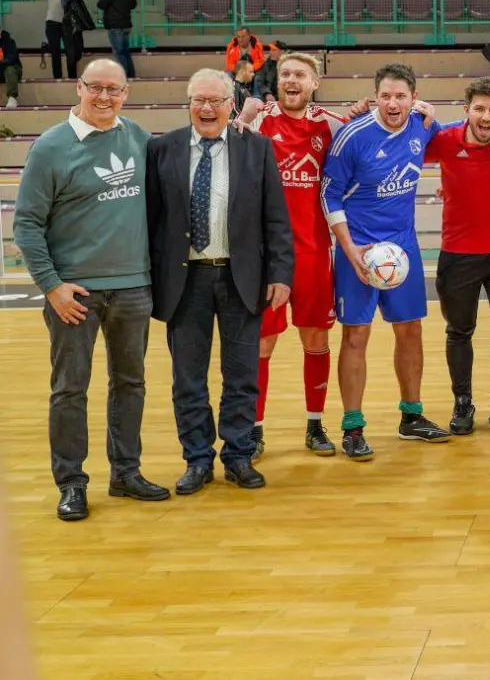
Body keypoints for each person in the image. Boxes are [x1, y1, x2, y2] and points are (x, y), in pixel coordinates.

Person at [14, 60, 168, 521]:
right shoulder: (50, 147)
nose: (104, 97)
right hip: (73, 296)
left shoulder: (138, 137)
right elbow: (26, 225)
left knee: (130, 384)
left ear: (126, 93)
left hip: (133, 289)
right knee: (69, 389)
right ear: (79, 89)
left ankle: (125, 471)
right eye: (96, 88)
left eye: (114, 90)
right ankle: (72, 483)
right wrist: (52, 286)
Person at [146, 68, 290, 494]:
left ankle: (239, 456)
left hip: (241, 278)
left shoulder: (257, 148)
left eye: (216, 101)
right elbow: (151, 221)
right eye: (198, 100)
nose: (206, 108)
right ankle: (196, 460)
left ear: (232, 103)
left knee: (242, 375)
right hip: (184, 281)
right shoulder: (162, 149)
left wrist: (281, 274)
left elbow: (276, 219)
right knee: (187, 379)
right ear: (188, 103)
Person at [320, 64, 449, 459]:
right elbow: (330, 195)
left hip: (403, 249)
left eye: (401, 96)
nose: (393, 103)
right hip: (356, 250)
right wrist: (349, 248)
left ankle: (411, 417)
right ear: (375, 97)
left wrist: (433, 114)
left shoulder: (422, 126)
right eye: (386, 96)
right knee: (356, 336)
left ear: (413, 98)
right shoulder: (352, 137)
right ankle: (353, 427)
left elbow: (459, 132)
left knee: (410, 330)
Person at [239, 54, 347, 458]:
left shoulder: (331, 125)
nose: (290, 80)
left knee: (316, 340)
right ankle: (254, 429)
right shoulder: (259, 119)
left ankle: (315, 425)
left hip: (316, 252)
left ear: (314, 82)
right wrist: (242, 116)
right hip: (268, 257)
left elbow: (366, 151)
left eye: (299, 75)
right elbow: (221, 149)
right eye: (285, 74)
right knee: (262, 343)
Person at [417, 79, 490, 436]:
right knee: (459, 332)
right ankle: (463, 402)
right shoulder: (445, 140)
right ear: (466, 110)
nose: (486, 117)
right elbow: (400, 143)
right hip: (457, 255)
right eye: (479, 109)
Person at [96, 0, 137, 79]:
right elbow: (133, 4)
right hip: (126, 24)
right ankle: (131, 74)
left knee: (119, 53)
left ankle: (122, 77)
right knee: (126, 52)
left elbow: (101, 4)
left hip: (115, 24)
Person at [44, 0, 75, 81]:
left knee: (70, 50)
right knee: (55, 51)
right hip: (52, 23)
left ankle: (72, 76)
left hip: (66, 24)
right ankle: (57, 77)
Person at [1, 28, 20, 108]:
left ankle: (12, 98)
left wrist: (2, 63)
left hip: (12, 69)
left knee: (9, 69)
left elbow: (11, 58)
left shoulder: (9, 41)